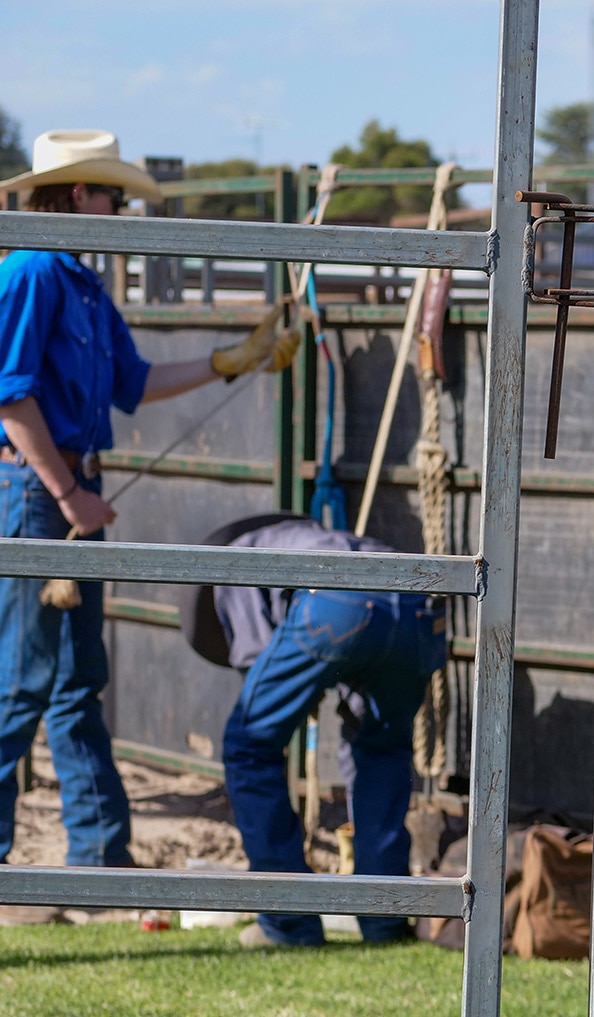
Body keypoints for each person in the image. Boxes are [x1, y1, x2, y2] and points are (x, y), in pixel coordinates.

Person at [0, 130, 297, 868]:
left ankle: (99, 860)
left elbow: (134, 383)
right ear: (79, 196)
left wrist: (234, 361)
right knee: (25, 677)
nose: (123, 208)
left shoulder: (83, 285)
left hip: (66, 489)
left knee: (74, 679)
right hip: (39, 488)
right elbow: (9, 396)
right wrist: (68, 493)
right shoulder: (33, 268)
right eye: (114, 195)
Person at [180, 515, 449, 948]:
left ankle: (289, 923)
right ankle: (384, 923)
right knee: (382, 751)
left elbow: (259, 667)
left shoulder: (229, 573)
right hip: (419, 604)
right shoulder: (308, 536)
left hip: (338, 604)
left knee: (249, 746)